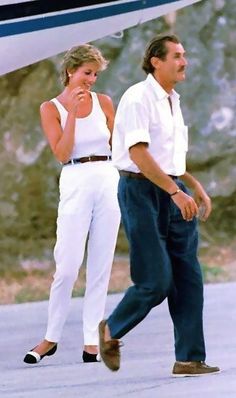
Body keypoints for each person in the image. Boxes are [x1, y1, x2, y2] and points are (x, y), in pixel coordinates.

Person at [99, 34, 220, 377]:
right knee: (156, 280)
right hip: (141, 192)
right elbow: (138, 154)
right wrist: (174, 192)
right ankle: (110, 329)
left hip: (171, 188)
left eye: (184, 55)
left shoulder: (172, 99)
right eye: (177, 56)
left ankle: (189, 358)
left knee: (188, 278)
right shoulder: (138, 97)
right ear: (156, 60)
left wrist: (193, 186)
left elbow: (168, 158)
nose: (184, 62)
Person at [23, 44, 121, 364]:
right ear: (70, 71)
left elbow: (120, 145)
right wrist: (74, 117)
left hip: (107, 177)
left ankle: (91, 340)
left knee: (100, 264)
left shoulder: (104, 102)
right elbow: (63, 153)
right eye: (86, 73)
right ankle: (51, 337)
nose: (91, 80)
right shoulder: (50, 107)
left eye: (95, 74)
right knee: (66, 266)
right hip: (76, 177)